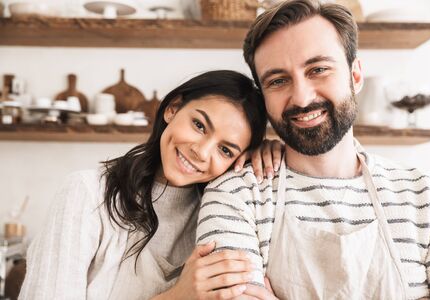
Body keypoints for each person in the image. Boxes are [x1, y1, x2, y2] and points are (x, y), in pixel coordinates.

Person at [196, 1, 430, 299]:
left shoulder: (427, 198)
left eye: (318, 69)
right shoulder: (236, 194)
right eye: (278, 81)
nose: (302, 98)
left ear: (355, 76)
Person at [19, 70, 283, 300]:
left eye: (225, 150)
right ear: (172, 109)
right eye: (199, 125)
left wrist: (273, 155)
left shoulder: (223, 217)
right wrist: (177, 296)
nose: (201, 152)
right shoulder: (86, 194)